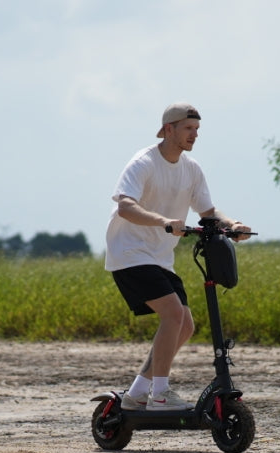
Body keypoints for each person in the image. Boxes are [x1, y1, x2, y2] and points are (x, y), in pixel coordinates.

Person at [105, 102, 252, 411]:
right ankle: (160, 395)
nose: (194, 135)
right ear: (168, 129)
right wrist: (164, 222)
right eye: (188, 128)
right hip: (129, 253)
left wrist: (232, 225)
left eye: (197, 130)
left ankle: (136, 394)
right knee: (173, 314)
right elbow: (125, 206)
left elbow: (208, 213)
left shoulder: (191, 169)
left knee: (184, 326)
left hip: (159, 258)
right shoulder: (143, 162)